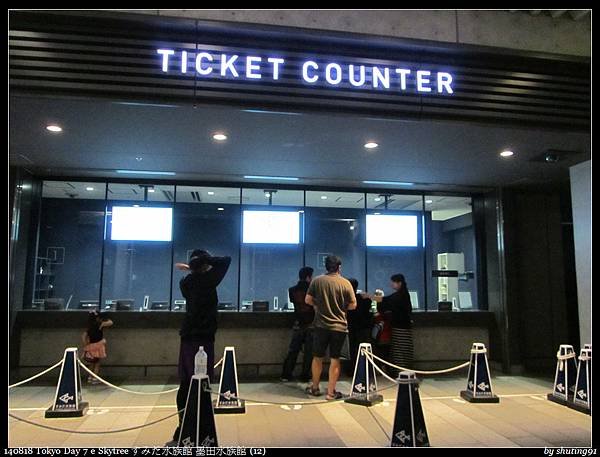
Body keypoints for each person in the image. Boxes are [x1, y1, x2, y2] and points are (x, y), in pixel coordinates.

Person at [170, 249, 232, 445]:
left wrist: (194, 266)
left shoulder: (185, 282)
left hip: (188, 337)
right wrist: (205, 261)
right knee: (202, 383)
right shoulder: (209, 280)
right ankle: (201, 428)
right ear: (205, 264)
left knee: (186, 383)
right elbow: (225, 260)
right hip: (205, 338)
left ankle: (183, 426)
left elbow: (198, 274)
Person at [305, 255, 356, 400]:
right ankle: (331, 393)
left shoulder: (317, 281)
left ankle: (315, 388)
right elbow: (353, 305)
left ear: (326, 266)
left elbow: (307, 300)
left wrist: (318, 306)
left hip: (320, 325)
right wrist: (341, 307)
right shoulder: (345, 283)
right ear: (339, 267)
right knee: (335, 359)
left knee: (317, 357)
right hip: (339, 327)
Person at [369, 274, 414, 378]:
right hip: (404, 328)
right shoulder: (404, 294)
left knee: (399, 351)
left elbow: (385, 301)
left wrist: (370, 297)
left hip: (400, 329)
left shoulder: (399, 296)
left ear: (399, 283)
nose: (391, 284)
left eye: (393, 282)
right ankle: (405, 372)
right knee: (404, 351)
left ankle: (402, 372)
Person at [281, 266, 315, 382]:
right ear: (308, 277)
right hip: (311, 324)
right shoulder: (313, 290)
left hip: (298, 323)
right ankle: (305, 375)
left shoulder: (292, 290)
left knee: (293, 350)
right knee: (309, 353)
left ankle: (286, 374)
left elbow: (293, 302)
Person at [346, 278, 373, 375]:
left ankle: (352, 370)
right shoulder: (364, 298)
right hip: (363, 327)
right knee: (363, 350)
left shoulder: (346, 299)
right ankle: (365, 371)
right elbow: (370, 306)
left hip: (351, 327)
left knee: (352, 350)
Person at [81, 311, 113, 384]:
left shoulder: (89, 327)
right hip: (98, 346)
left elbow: (83, 336)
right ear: (97, 318)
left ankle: (90, 377)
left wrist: (86, 344)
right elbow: (110, 322)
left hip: (91, 346)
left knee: (92, 363)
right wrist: (105, 318)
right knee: (97, 363)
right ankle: (95, 378)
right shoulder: (99, 324)